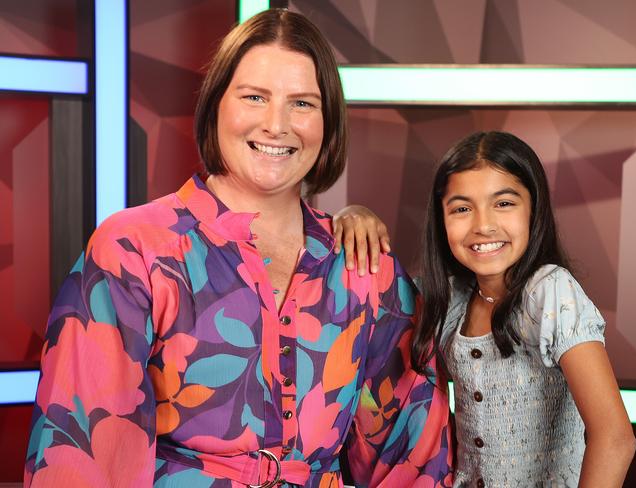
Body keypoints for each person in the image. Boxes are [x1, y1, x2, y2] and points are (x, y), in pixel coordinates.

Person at [24, 9, 453, 488]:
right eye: (255, 97)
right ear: (216, 106)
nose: (277, 124)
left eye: (303, 104)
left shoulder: (364, 266)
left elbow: (412, 456)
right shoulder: (134, 251)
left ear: (329, 122)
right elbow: (81, 454)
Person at [403, 131, 634, 486]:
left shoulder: (549, 291)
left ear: (534, 209)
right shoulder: (449, 299)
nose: (483, 225)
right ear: (441, 220)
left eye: (504, 203)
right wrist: (355, 217)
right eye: (462, 209)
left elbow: (615, 438)